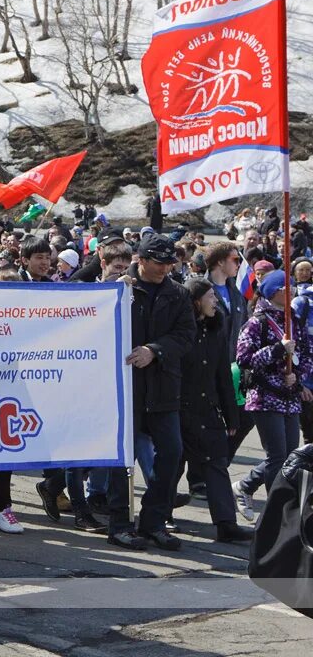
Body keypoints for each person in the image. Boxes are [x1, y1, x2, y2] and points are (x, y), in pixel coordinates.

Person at [106, 233, 195, 551]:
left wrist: (154, 350)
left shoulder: (178, 294)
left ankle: (154, 520)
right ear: (140, 260)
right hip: (126, 386)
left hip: (163, 384)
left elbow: (186, 335)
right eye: (159, 262)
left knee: (172, 452)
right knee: (122, 459)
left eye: (170, 262)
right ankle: (119, 524)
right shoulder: (121, 289)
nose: (166, 268)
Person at [233, 270, 313, 522]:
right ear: (275, 291)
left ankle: (246, 485)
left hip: (289, 397)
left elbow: (307, 354)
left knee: (291, 457)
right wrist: (277, 350)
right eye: (286, 287)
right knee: (278, 456)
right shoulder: (258, 322)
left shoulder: (294, 321)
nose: (290, 291)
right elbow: (244, 359)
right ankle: (275, 513)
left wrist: (297, 377)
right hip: (265, 396)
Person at [178, 277, 254, 543]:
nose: (215, 301)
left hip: (208, 410)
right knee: (173, 466)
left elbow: (222, 375)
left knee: (218, 465)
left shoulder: (216, 330)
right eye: (210, 296)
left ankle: (226, 524)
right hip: (179, 411)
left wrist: (231, 415)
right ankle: (159, 517)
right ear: (196, 301)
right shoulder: (180, 331)